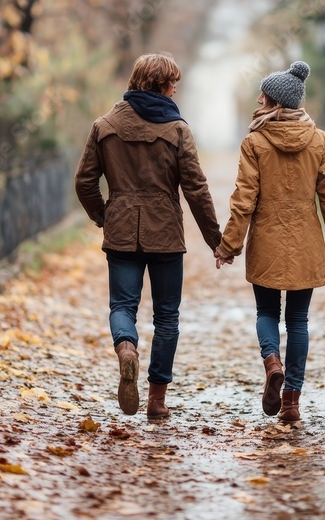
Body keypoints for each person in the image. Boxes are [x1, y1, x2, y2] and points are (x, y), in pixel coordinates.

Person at [75, 53, 222, 418]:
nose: (175, 89)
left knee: (122, 307)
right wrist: (215, 239)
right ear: (159, 84)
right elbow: (196, 188)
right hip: (166, 233)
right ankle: (157, 401)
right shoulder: (177, 130)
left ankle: (127, 348)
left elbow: (84, 181)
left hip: (121, 228)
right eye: (172, 83)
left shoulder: (104, 125)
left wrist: (103, 215)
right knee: (167, 317)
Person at [214, 61, 325, 423]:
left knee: (266, 313)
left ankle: (272, 363)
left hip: (267, 242)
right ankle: (291, 403)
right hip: (306, 242)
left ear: (275, 102)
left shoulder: (255, 142)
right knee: (299, 320)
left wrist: (229, 246)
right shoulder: (319, 141)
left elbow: (244, 199)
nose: (258, 99)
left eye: (264, 94)